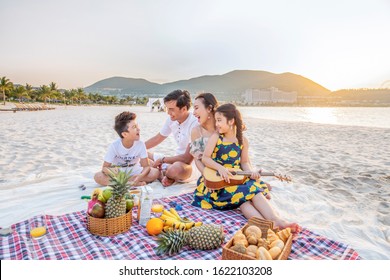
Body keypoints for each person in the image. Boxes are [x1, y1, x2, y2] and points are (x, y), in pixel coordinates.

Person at [192, 103, 300, 232]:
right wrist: (220, 168)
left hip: (236, 178)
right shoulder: (216, 137)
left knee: (250, 195)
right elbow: (205, 158)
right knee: (246, 194)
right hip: (218, 184)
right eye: (216, 121)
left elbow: (244, 163)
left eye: (219, 120)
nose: (216, 124)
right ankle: (268, 225)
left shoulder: (243, 141)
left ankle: (274, 222)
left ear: (231, 121)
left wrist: (251, 172)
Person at [145, 90, 198, 187]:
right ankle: (164, 174)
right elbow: (158, 138)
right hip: (173, 160)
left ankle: (164, 174)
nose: (168, 112)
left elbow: (187, 159)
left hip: (188, 166)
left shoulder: (195, 124)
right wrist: (138, 148)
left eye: (171, 109)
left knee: (174, 169)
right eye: (167, 108)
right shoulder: (171, 120)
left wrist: (162, 160)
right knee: (142, 155)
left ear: (184, 109)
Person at [94, 111, 160, 186]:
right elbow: (105, 168)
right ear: (125, 134)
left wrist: (140, 176)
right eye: (134, 127)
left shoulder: (140, 144)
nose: (138, 129)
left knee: (155, 173)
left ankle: (128, 181)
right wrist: (115, 173)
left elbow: (146, 166)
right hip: (119, 173)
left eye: (137, 126)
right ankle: (130, 183)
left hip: (135, 172)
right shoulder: (114, 146)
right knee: (98, 176)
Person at [190, 92, 219, 174]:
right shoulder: (196, 131)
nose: (194, 113)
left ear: (209, 108)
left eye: (196, 108)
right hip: (209, 176)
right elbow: (198, 160)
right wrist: (208, 176)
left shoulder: (223, 128)